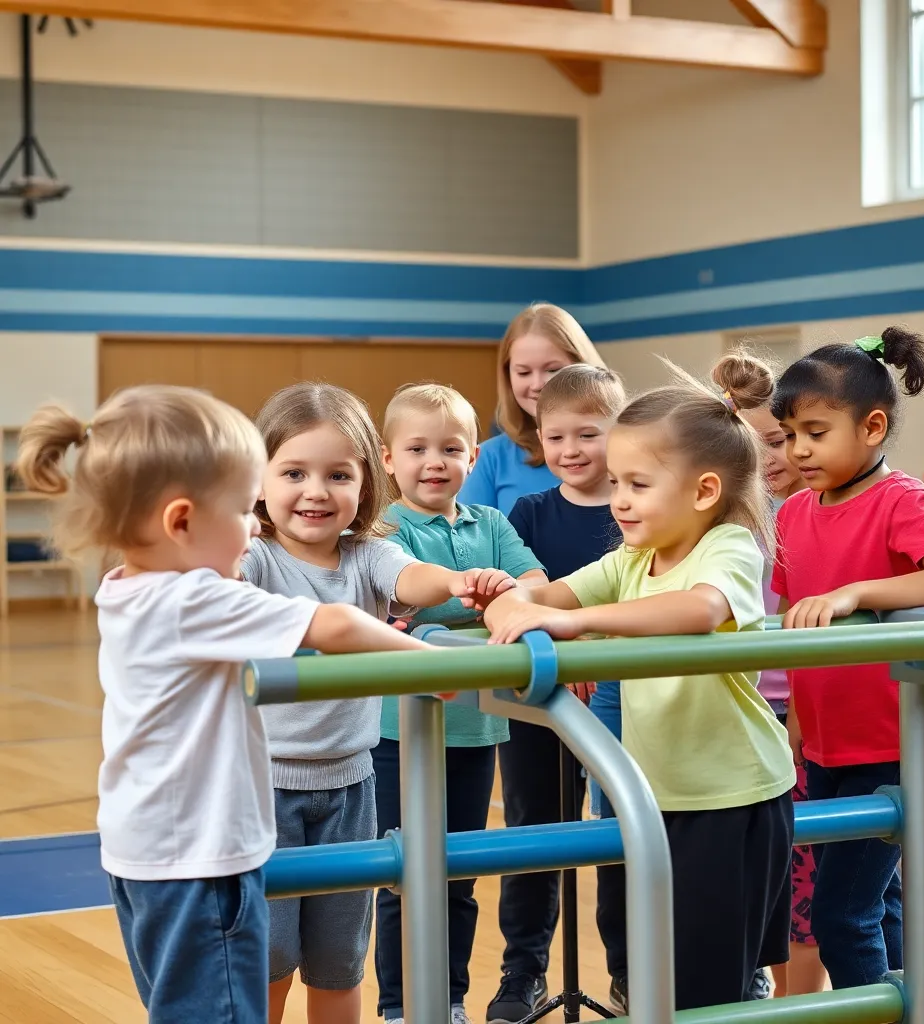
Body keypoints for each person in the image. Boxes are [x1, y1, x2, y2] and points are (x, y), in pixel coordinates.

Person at [14, 385, 450, 1024]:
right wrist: (430, 666)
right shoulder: (194, 600)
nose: (254, 527)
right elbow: (334, 624)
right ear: (182, 522)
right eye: (245, 510)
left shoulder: (126, 591)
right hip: (200, 858)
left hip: (149, 851)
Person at [484, 360, 797, 1012]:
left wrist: (576, 622)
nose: (618, 499)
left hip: (731, 797)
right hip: (661, 797)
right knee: (664, 970)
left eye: (638, 484)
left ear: (704, 491)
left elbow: (700, 610)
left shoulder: (727, 547)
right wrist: (507, 601)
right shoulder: (632, 557)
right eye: (617, 482)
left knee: (710, 989)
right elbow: (549, 594)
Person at [241, 381, 516, 1024]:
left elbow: (410, 578)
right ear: (259, 479)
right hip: (264, 787)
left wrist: (457, 580)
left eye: (338, 475)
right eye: (294, 473)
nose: (316, 491)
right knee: (269, 955)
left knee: (340, 958)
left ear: (366, 483)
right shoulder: (254, 560)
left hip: (350, 785)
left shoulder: (367, 554)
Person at [770, 327, 924, 989]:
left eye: (815, 432)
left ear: (872, 427)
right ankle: (909, 1004)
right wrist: (797, 719)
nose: (798, 450)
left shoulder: (900, 500)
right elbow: (793, 618)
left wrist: (858, 592)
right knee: (880, 902)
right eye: (789, 434)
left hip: (890, 743)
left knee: (841, 915)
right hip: (824, 743)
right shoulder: (793, 513)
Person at [375, 383, 548, 1024]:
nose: (434, 462)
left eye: (450, 449)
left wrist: (505, 592)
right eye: (417, 449)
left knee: (459, 875)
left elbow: (535, 582)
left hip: (476, 730)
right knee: (403, 876)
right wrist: (465, 596)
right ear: (388, 459)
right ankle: (400, 1006)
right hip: (397, 732)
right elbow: (401, 596)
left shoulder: (492, 524)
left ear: (473, 457)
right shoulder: (383, 529)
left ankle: (448, 1000)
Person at [494, 364, 628, 1022]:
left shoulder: (635, 511)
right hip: (538, 701)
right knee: (534, 834)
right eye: (555, 437)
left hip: (621, 699)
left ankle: (630, 967)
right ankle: (522, 970)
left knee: (620, 831)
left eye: (588, 434)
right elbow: (518, 595)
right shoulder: (528, 512)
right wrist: (559, 649)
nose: (570, 450)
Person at [713, 350, 823, 999]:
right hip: (742, 709)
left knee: (806, 877)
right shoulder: (724, 523)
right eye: (753, 443)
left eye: (779, 440)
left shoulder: (811, 512)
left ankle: (800, 1001)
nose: (770, 457)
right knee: (764, 874)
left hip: (802, 715)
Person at [459, 303, 606, 516]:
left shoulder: (622, 450)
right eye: (524, 372)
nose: (537, 384)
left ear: (584, 367)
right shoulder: (488, 459)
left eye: (553, 369)